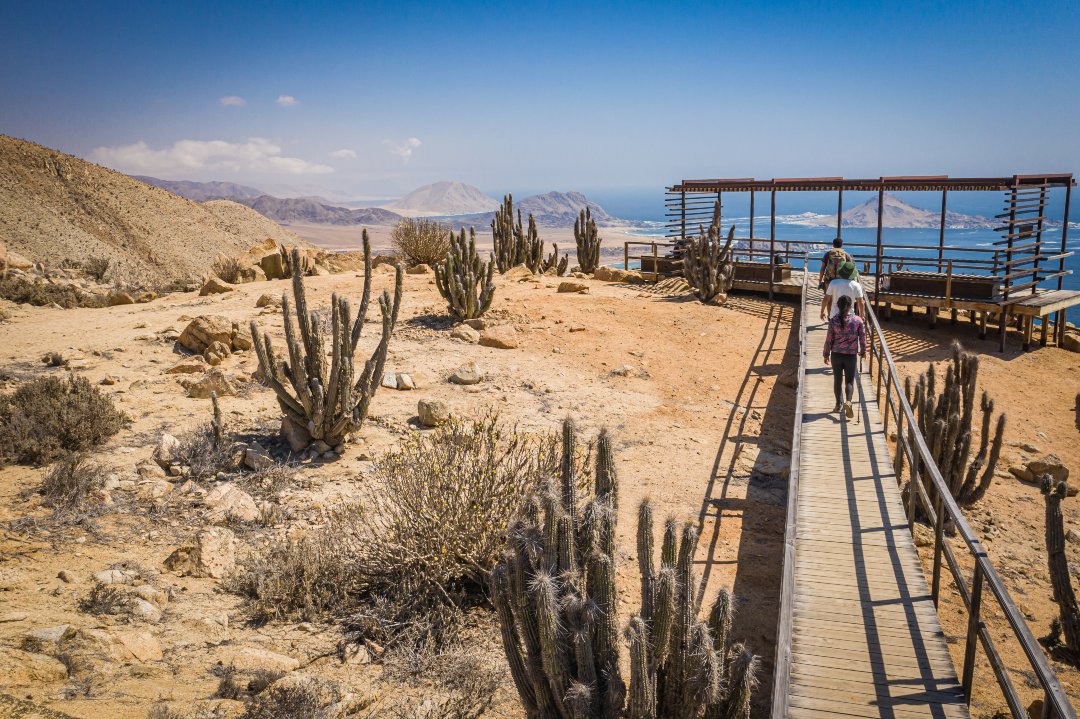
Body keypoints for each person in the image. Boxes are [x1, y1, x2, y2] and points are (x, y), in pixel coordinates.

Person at [823, 294, 867, 418]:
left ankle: (838, 404)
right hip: (851, 355)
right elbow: (863, 339)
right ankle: (848, 401)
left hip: (836, 355)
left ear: (838, 306)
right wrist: (863, 351)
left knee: (837, 380)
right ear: (850, 306)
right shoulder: (858, 321)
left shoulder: (833, 320)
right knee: (849, 381)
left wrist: (826, 354)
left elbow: (829, 339)